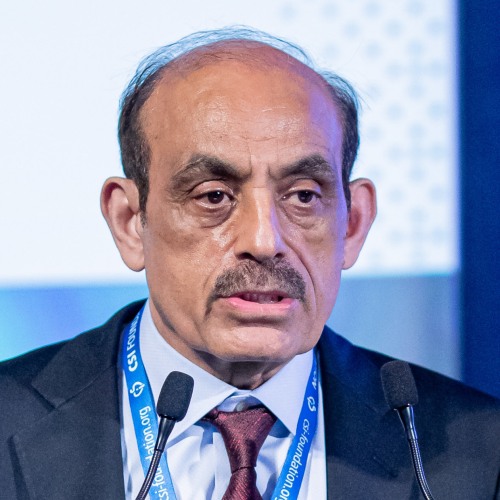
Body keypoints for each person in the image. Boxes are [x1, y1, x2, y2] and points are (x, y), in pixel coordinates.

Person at [0, 27, 498, 500]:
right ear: (130, 221)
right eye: (213, 196)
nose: (264, 241)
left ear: (352, 224)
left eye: (303, 196)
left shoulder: (478, 452)